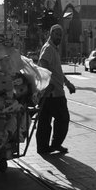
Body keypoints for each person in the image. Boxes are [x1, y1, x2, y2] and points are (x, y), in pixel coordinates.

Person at [36, 24, 76, 155]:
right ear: (51, 34)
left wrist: (67, 83)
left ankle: (44, 147)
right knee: (63, 118)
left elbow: (57, 71)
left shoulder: (53, 49)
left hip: (51, 92)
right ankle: (55, 144)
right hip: (53, 93)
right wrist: (49, 82)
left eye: (61, 35)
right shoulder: (48, 48)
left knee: (45, 121)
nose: (59, 37)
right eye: (57, 34)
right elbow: (43, 64)